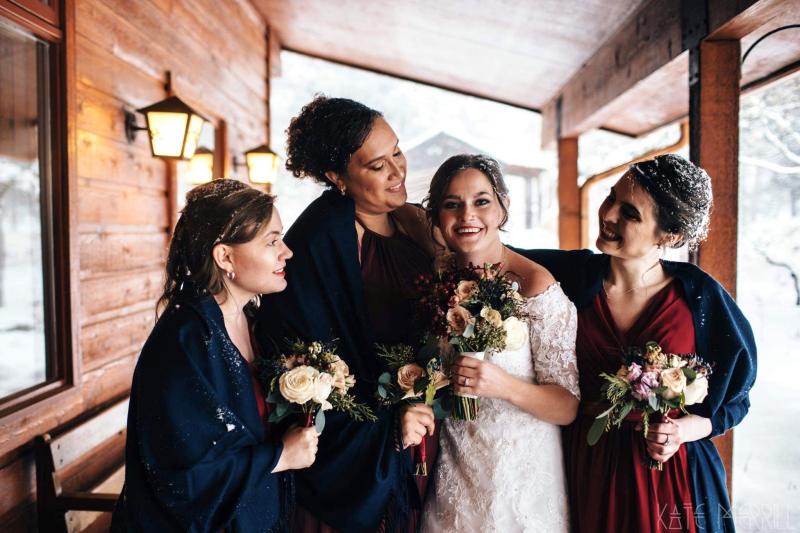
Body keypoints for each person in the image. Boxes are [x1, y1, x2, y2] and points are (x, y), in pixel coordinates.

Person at [522, 154, 757, 532]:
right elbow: (492, 253)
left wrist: (681, 432)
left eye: (630, 213)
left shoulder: (699, 295)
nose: (609, 214)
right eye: (611, 197)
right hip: (589, 471)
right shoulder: (570, 275)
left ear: (669, 236)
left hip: (674, 479)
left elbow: (736, 401)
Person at [256, 96, 438, 532]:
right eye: (377, 165)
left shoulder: (413, 222)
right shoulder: (320, 242)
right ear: (338, 178)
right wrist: (387, 428)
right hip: (369, 451)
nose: (397, 171)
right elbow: (300, 366)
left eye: (397, 152)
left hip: (427, 430)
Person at [112, 179, 317, 533]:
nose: (287, 252)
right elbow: (183, 479)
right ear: (225, 257)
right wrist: (280, 456)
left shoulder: (253, 322)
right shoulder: (185, 341)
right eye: (272, 241)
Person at [420, 154, 580, 532]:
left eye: (481, 201)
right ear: (436, 216)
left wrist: (504, 385)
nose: (467, 215)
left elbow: (567, 405)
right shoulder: (437, 281)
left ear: (502, 207)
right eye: (452, 204)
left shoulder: (535, 285)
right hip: (456, 470)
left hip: (520, 477)